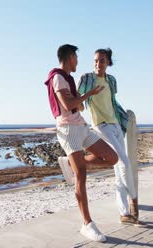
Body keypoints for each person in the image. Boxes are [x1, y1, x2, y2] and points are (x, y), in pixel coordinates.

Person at [44, 44, 118, 242]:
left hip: (82, 127)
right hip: (68, 130)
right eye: (76, 57)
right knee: (81, 176)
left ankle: (71, 163)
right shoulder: (58, 77)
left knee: (112, 158)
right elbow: (68, 105)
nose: (77, 61)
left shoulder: (67, 79)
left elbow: (78, 106)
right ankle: (87, 224)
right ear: (69, 58)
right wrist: (88, 95)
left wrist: (81, 99)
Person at [78, 48, 146, 227]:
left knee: (119, 170)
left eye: (102, 61)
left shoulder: (111, 80)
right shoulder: (87, 79)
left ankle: (124, 213)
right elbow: (79, 103)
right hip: (100, 126)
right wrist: (85, 100)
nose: (98, 64)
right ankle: (134, 201)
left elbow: (112, 102)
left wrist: (120, 119)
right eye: (95, 60)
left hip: (115, 124)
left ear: (108, 62)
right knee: (124, 161)